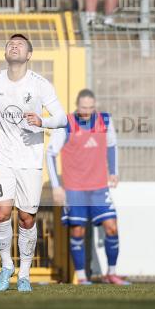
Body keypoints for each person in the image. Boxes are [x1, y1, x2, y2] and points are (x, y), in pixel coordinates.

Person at [0, 34, 67, 292]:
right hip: (0, 159)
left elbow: (62, 118)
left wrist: (42, 121)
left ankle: (24, 274)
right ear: (5, 52)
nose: (14, 46)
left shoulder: (40, 84)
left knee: (26, 218)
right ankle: (7, 265)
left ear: (29, 55)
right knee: (1, 212)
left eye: (20, 44)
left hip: (29, 161)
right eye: (11, 43)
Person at [46, 89, 128, 285]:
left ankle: (111, 273)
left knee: (112, 227)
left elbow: (112, 145)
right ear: (77, 105)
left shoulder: (105, 121)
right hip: (75, 189)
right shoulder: (66, 123)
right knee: (78, 231)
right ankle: (82, 277)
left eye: (90, 108)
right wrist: (56, 186)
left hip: (99, 188)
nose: (87, 111)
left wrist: (114, 171)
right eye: (83, 107)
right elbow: (50, 154)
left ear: (95, 106)